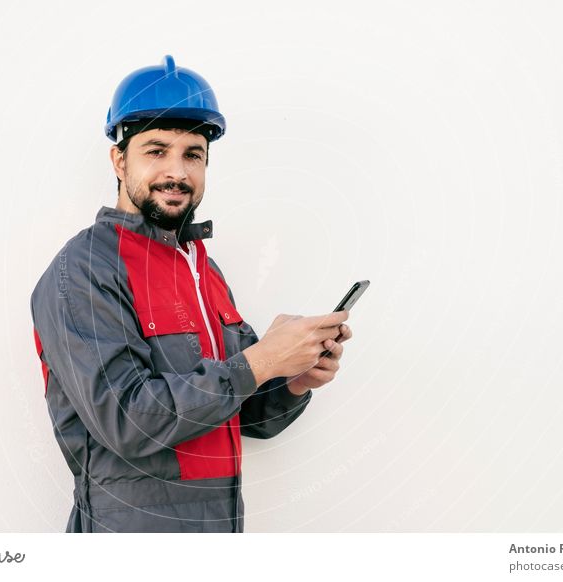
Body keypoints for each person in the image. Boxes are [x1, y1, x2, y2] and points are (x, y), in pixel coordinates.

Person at [30, 55, 352, 533]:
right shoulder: (83, 270)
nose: (176, 172)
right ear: (119, 159)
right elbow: (128, 422)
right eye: (156, 151)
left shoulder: (203, 269)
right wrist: (261, 360)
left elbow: (241, 416)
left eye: (193, 154)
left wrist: (293, 378)